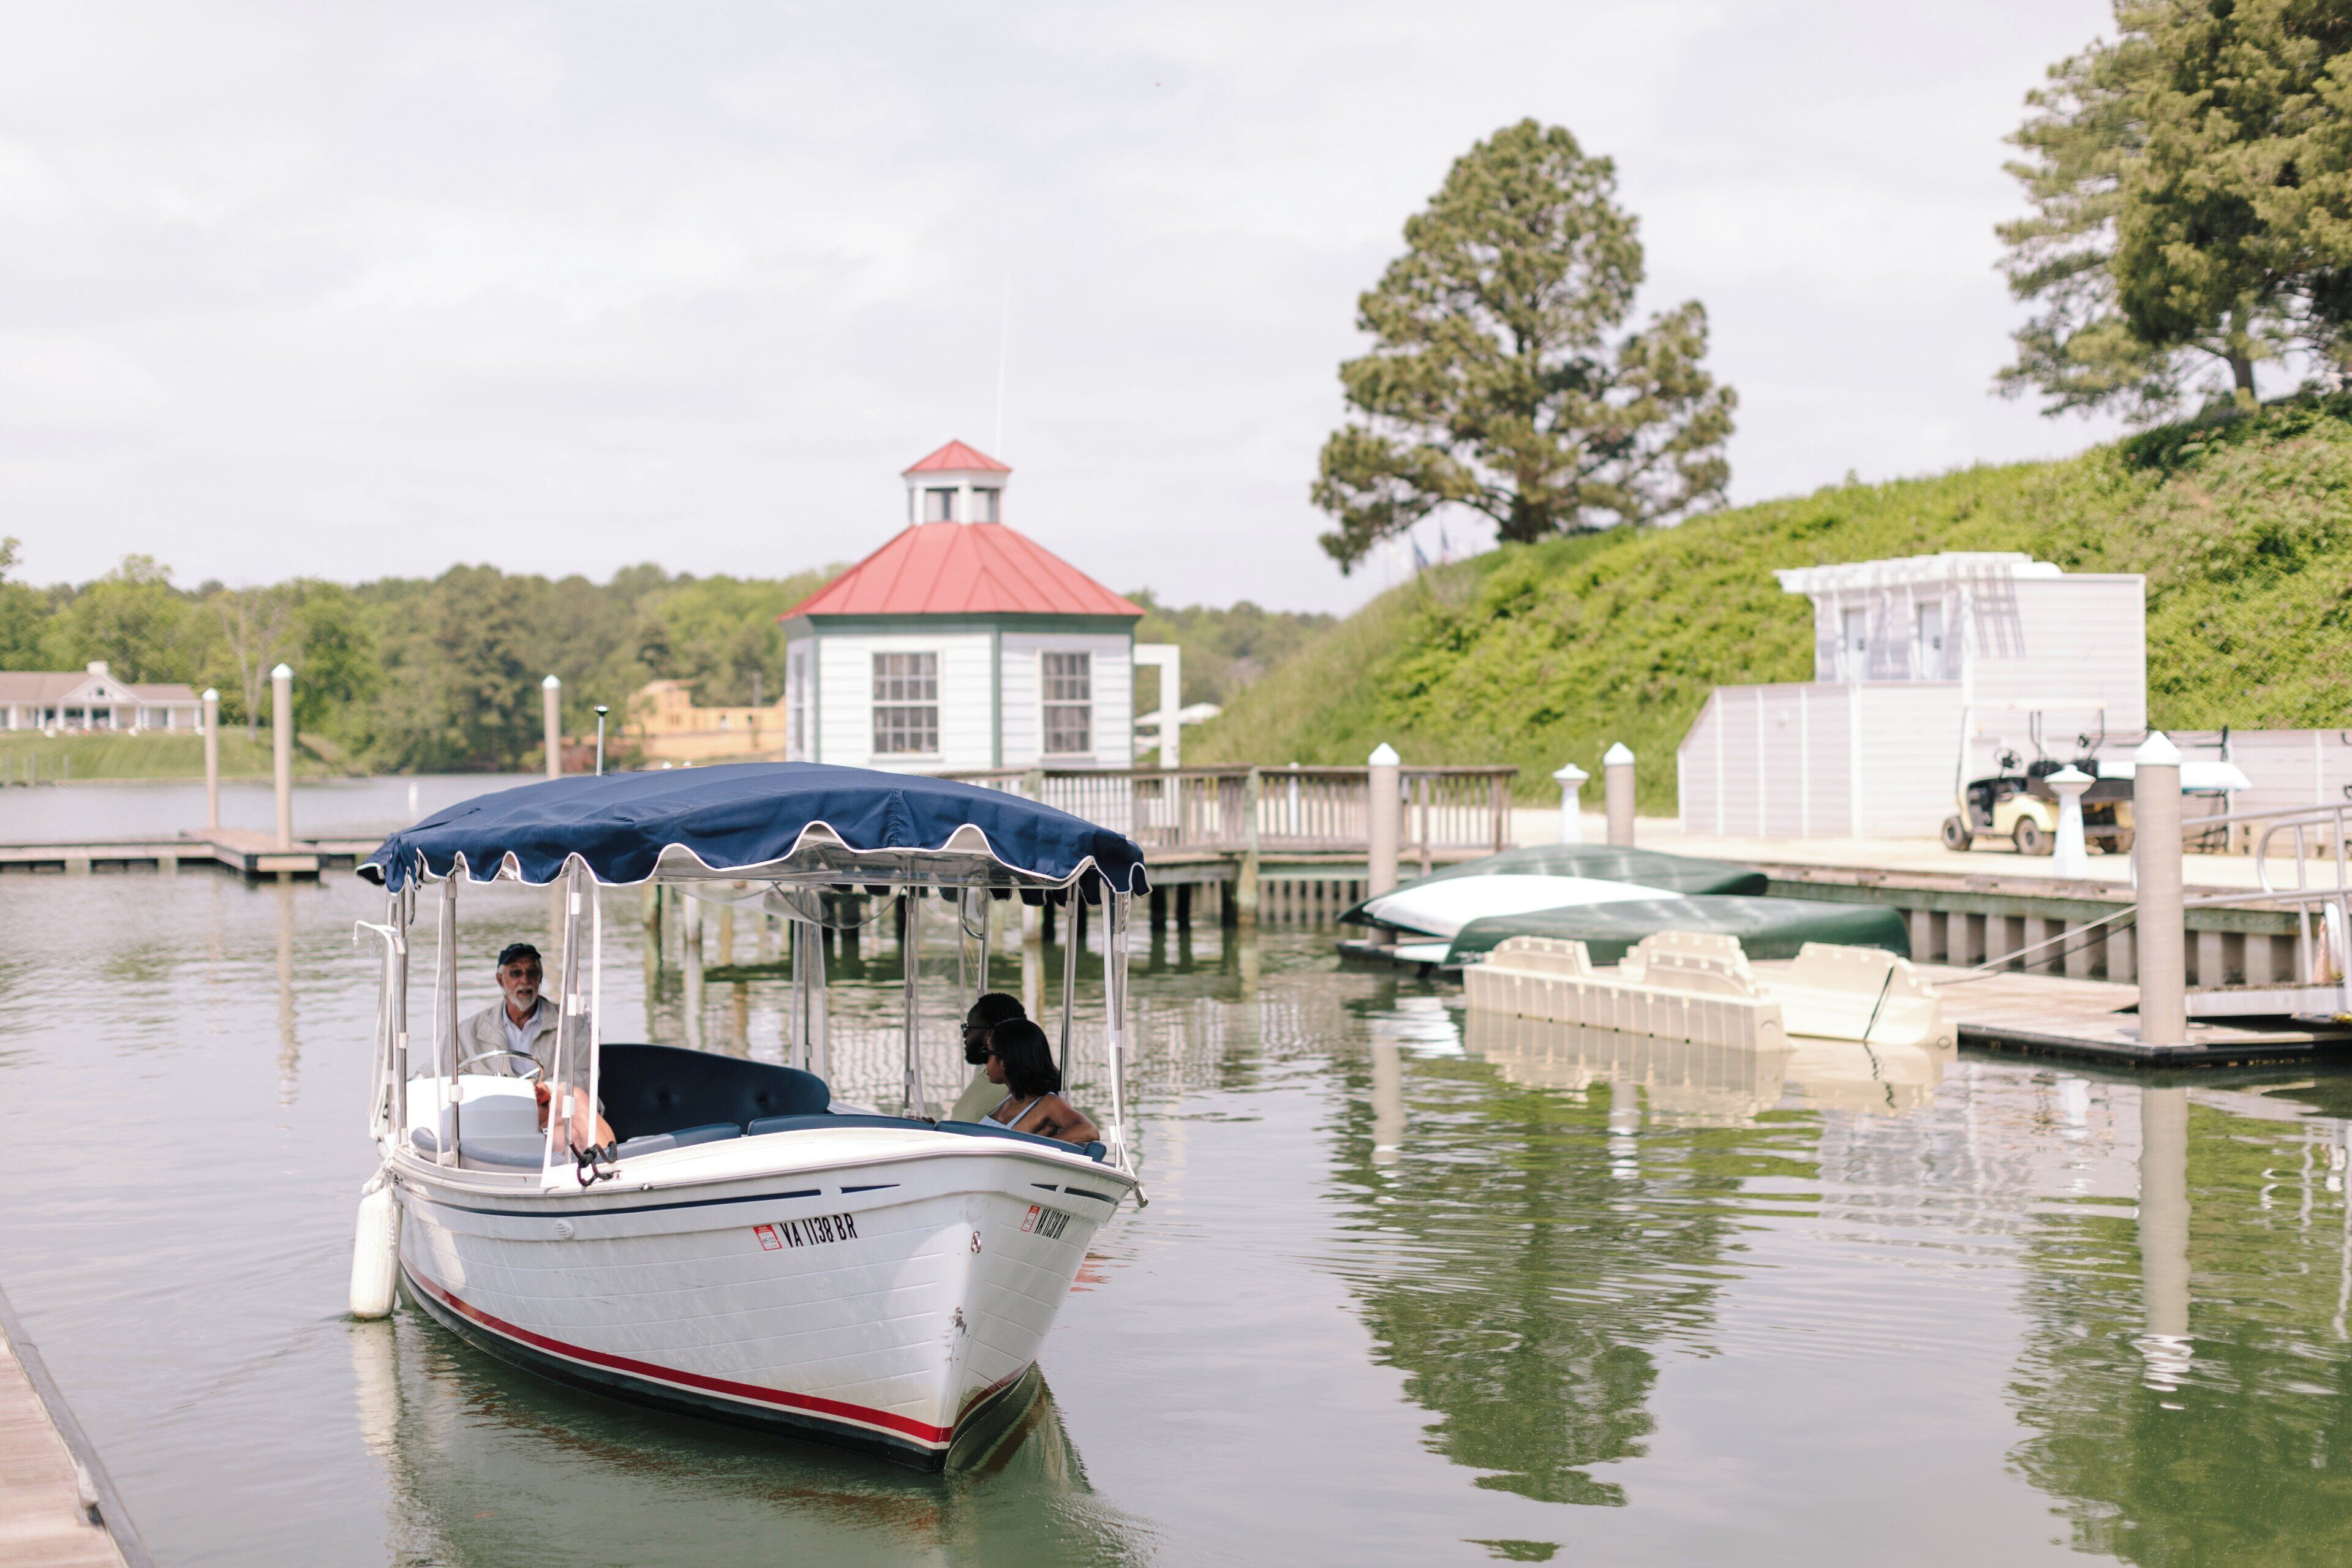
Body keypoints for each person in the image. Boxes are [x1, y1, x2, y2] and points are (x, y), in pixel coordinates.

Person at [457, 941, 612, 1151]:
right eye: (516, 973)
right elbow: (432, 1074)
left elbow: (584, 1079)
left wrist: (545, 1089)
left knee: (572, 1132)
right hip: (496, 1118)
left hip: (552, 1115)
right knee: (572, 1111)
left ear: (540, 978)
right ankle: (610, 1165)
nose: (525, 980)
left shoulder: (571, 1024)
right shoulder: (469, 1030)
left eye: (532, 972)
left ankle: (606, 1173)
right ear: (500, 980)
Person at [979, 1018, 1100, 1146]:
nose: (984, 1061)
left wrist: (1039, 1149)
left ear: (1005, 1060)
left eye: (987, 1052)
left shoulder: (1049, 1104)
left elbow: (1089, 1130)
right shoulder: (1010, 1096)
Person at [949, 993, 1028, 1123]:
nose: (965, 1035)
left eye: (970, 1028)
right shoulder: (985, 1072)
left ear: (990, 1034)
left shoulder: (1019, 1087)